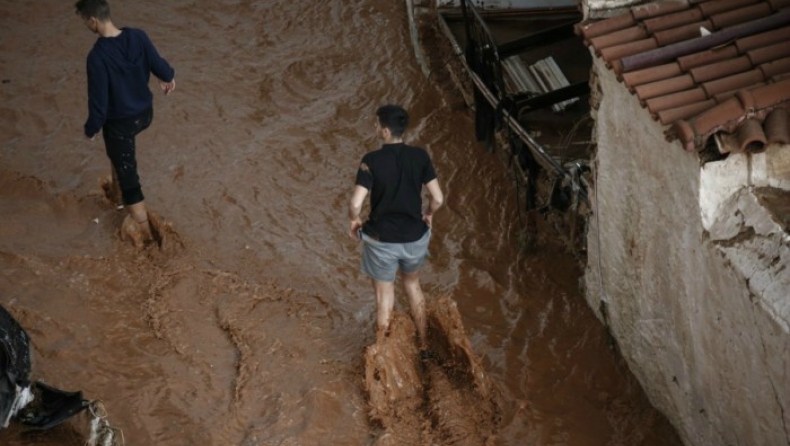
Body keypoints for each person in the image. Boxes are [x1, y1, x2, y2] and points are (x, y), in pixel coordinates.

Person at [75, 0, 175, 242]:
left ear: (93, 21)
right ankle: (118, 199)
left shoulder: (97, 57)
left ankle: (147, 235)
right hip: (145, 115)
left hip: (121, 124)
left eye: (84, 20)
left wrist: (90, 130)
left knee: (129, 175)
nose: (85, 24)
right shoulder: (138, 37)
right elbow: (162, 67)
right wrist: (168, 78)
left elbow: (98, 105)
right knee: (119, 152)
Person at [348, 104, 444, 352]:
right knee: (413, 286)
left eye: (377, 124)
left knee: (384, 296)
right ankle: (424, 345)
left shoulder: (371, 160)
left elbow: (356, 203)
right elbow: (438, 199)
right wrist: (429, 214)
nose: (376, 128)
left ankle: (385, 353)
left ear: (385, 131)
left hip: (382, 240)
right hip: (415, 237)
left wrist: (354, 221)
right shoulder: (420, 157)